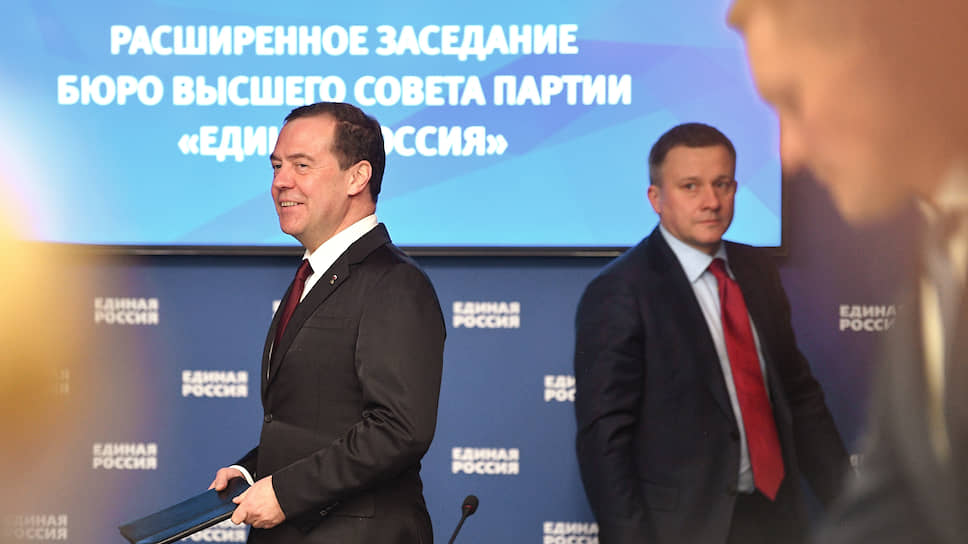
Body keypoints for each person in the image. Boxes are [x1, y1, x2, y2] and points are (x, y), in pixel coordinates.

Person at [727, 2, 968, 543]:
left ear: (889, 51)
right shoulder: (936, 258)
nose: (787, 153)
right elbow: (890, 508)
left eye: (793, 99)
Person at [573, 122, 849, 544]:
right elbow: (605, 443)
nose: (711, 202)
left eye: (722, 184)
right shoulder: (619, 291)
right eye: (691, 186)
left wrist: (854, 511)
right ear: (656, 199)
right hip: (681, 529)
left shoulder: (758, 272)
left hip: (776, 519)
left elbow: (800, 398)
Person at [208, 101, 445, 543]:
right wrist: (253, 472)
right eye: (277, 166)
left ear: (357, 177)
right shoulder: (314, 275)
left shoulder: (395, 283)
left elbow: (398, 429)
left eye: (301, 165)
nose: (281, 181)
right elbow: (318, 425)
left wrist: (285, 492)